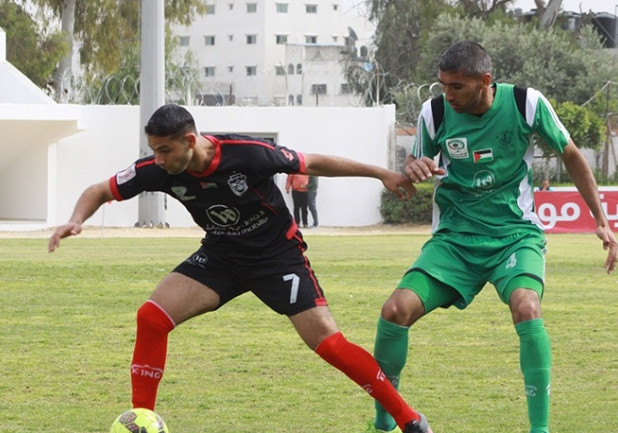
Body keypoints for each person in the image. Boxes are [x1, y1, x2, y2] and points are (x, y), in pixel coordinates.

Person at [48, 104, 433, 433]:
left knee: (328, 343)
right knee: (152, 317)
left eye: (165, 150)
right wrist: (76, 219)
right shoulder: (156, 169)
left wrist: (381, 173)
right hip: (221, 256)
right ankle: (142, 420)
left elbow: (312, 162)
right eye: (153, 150)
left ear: (190, 140)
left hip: (277, 256)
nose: (159, 159)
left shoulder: (247, 153)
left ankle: (408, 420)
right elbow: (100, 189)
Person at [367, 41, 618, 433]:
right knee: (394, 311)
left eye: (456, 87)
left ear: (484, 81)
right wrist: (415, 167)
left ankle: (540, 430)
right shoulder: (434, 112)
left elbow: (570, 154)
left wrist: (600, 219)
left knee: (527, 307)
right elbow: (415, 163)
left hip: (514, 235)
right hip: (455, 239)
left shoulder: (525, 103)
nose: (447, 96)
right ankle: (384, 424)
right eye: (442, 86)